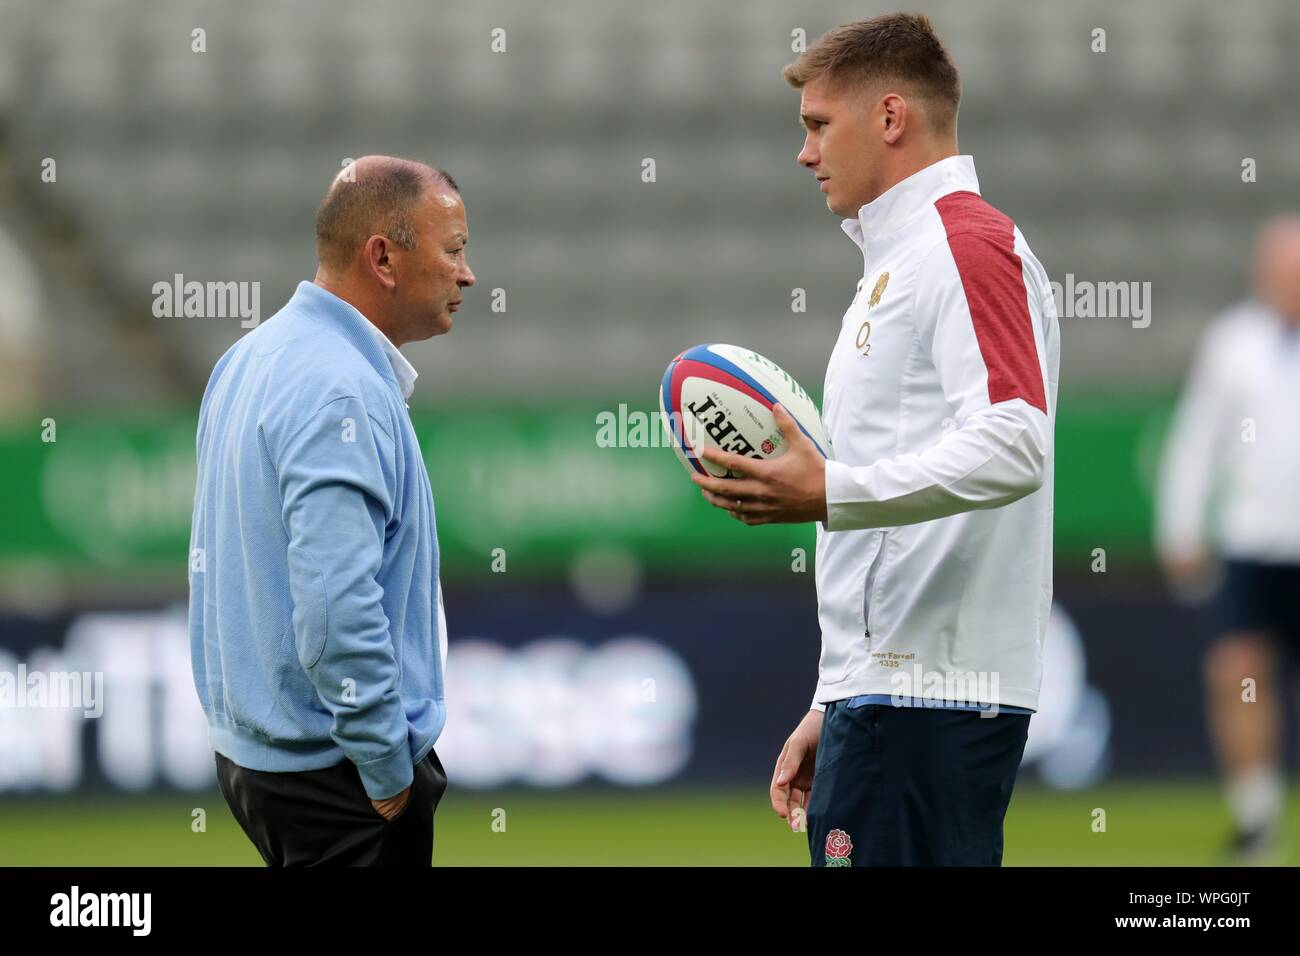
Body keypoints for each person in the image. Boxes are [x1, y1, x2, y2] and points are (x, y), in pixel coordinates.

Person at [691, 14, 1059, 866]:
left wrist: (828, 491)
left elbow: (1017, 439)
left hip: (931, 699)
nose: (805, 152)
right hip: (892, 693)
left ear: (890, 118)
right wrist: (838, 693)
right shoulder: (900, 261)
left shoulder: (965, 246)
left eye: (818, 125)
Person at [188, 156, 475, 865]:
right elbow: (335, 606)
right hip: (339, 778)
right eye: (455, 251)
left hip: (261, 760)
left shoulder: (249, 358)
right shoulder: (340, 390)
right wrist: (387, 769)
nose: (468, 275)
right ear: (383, 257)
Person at [1157, 215, 1300, 863]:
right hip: (1253, 540)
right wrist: (1181, 525)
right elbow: (1195, 442)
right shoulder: (1233, 342)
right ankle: (1256, 812)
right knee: (1236, 671)